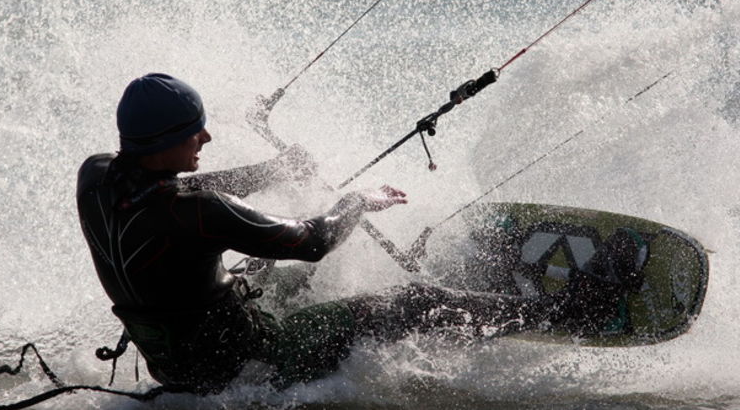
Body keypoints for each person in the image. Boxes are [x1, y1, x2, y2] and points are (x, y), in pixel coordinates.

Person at [76, 73, 637, 394]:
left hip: (177, 359)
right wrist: (358, 201)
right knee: (414, 303)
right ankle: (576, 310)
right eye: (193, 130)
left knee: (271, 273)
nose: (207, 136)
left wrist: (269, 174)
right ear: (163, 140)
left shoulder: (98, 175)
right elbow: (313, 241)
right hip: (247, 362)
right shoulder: (197, 213)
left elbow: (168, 190)